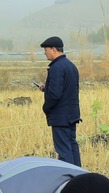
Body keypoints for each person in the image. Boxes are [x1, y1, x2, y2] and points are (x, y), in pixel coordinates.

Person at [40, 36, 81, 167]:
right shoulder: (70, 66)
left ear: (53, 49)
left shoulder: (56, 67)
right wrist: (47, 88)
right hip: (71, 115)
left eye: (45, 49)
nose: (44, 52)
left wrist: (46, 107)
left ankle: (69, 180)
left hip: (61, 117)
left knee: (64, 151)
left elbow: (55, 95)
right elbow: (68, 88)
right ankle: (79, 177)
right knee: (72, 147)